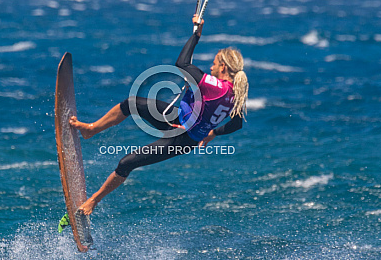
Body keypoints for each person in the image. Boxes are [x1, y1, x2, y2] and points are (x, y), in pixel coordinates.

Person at [69, 15, 248, 215]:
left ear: (223, 66)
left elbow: (181, 64)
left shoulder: (215, 87)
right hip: (178, 118)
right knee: (132, 104)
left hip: (182, 139)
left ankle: (92, 202)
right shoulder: (235, 93)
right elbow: (237, 123)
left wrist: (196, 36)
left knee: (127, 162)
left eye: (214, 64)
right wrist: (213, 132)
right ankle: (90, 129)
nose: (211, 67)